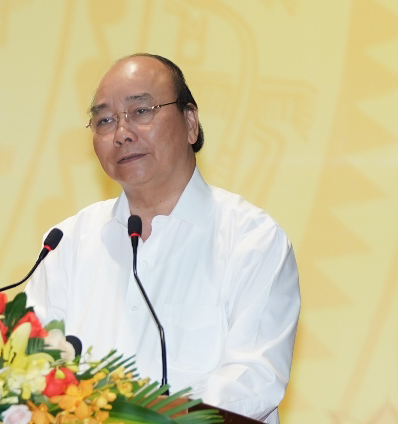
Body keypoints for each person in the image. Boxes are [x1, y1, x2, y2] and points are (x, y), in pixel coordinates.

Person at [25, 53, 300, 423]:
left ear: (190, 122)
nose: (121, 133)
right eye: (104, 120)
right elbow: (30, 368)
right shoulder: (66, 243)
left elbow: (252, 381)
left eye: (141, 111)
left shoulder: (251, 241)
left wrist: (137, 417)